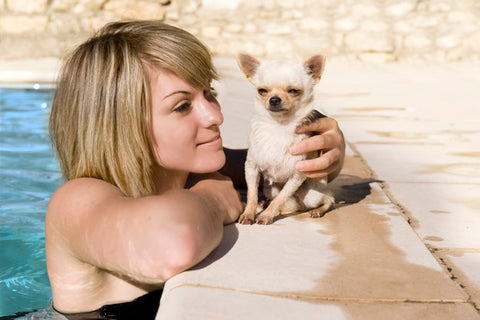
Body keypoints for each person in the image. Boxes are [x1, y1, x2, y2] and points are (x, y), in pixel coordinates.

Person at [46, 20, 345, 319]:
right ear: (118, 126)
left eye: (209, 93)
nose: (215, 115)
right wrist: (214, 199)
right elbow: (171, 246)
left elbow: (281, 167)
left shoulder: (193, 170)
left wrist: (324, 154)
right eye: (182, 106)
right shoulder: (76, 200)